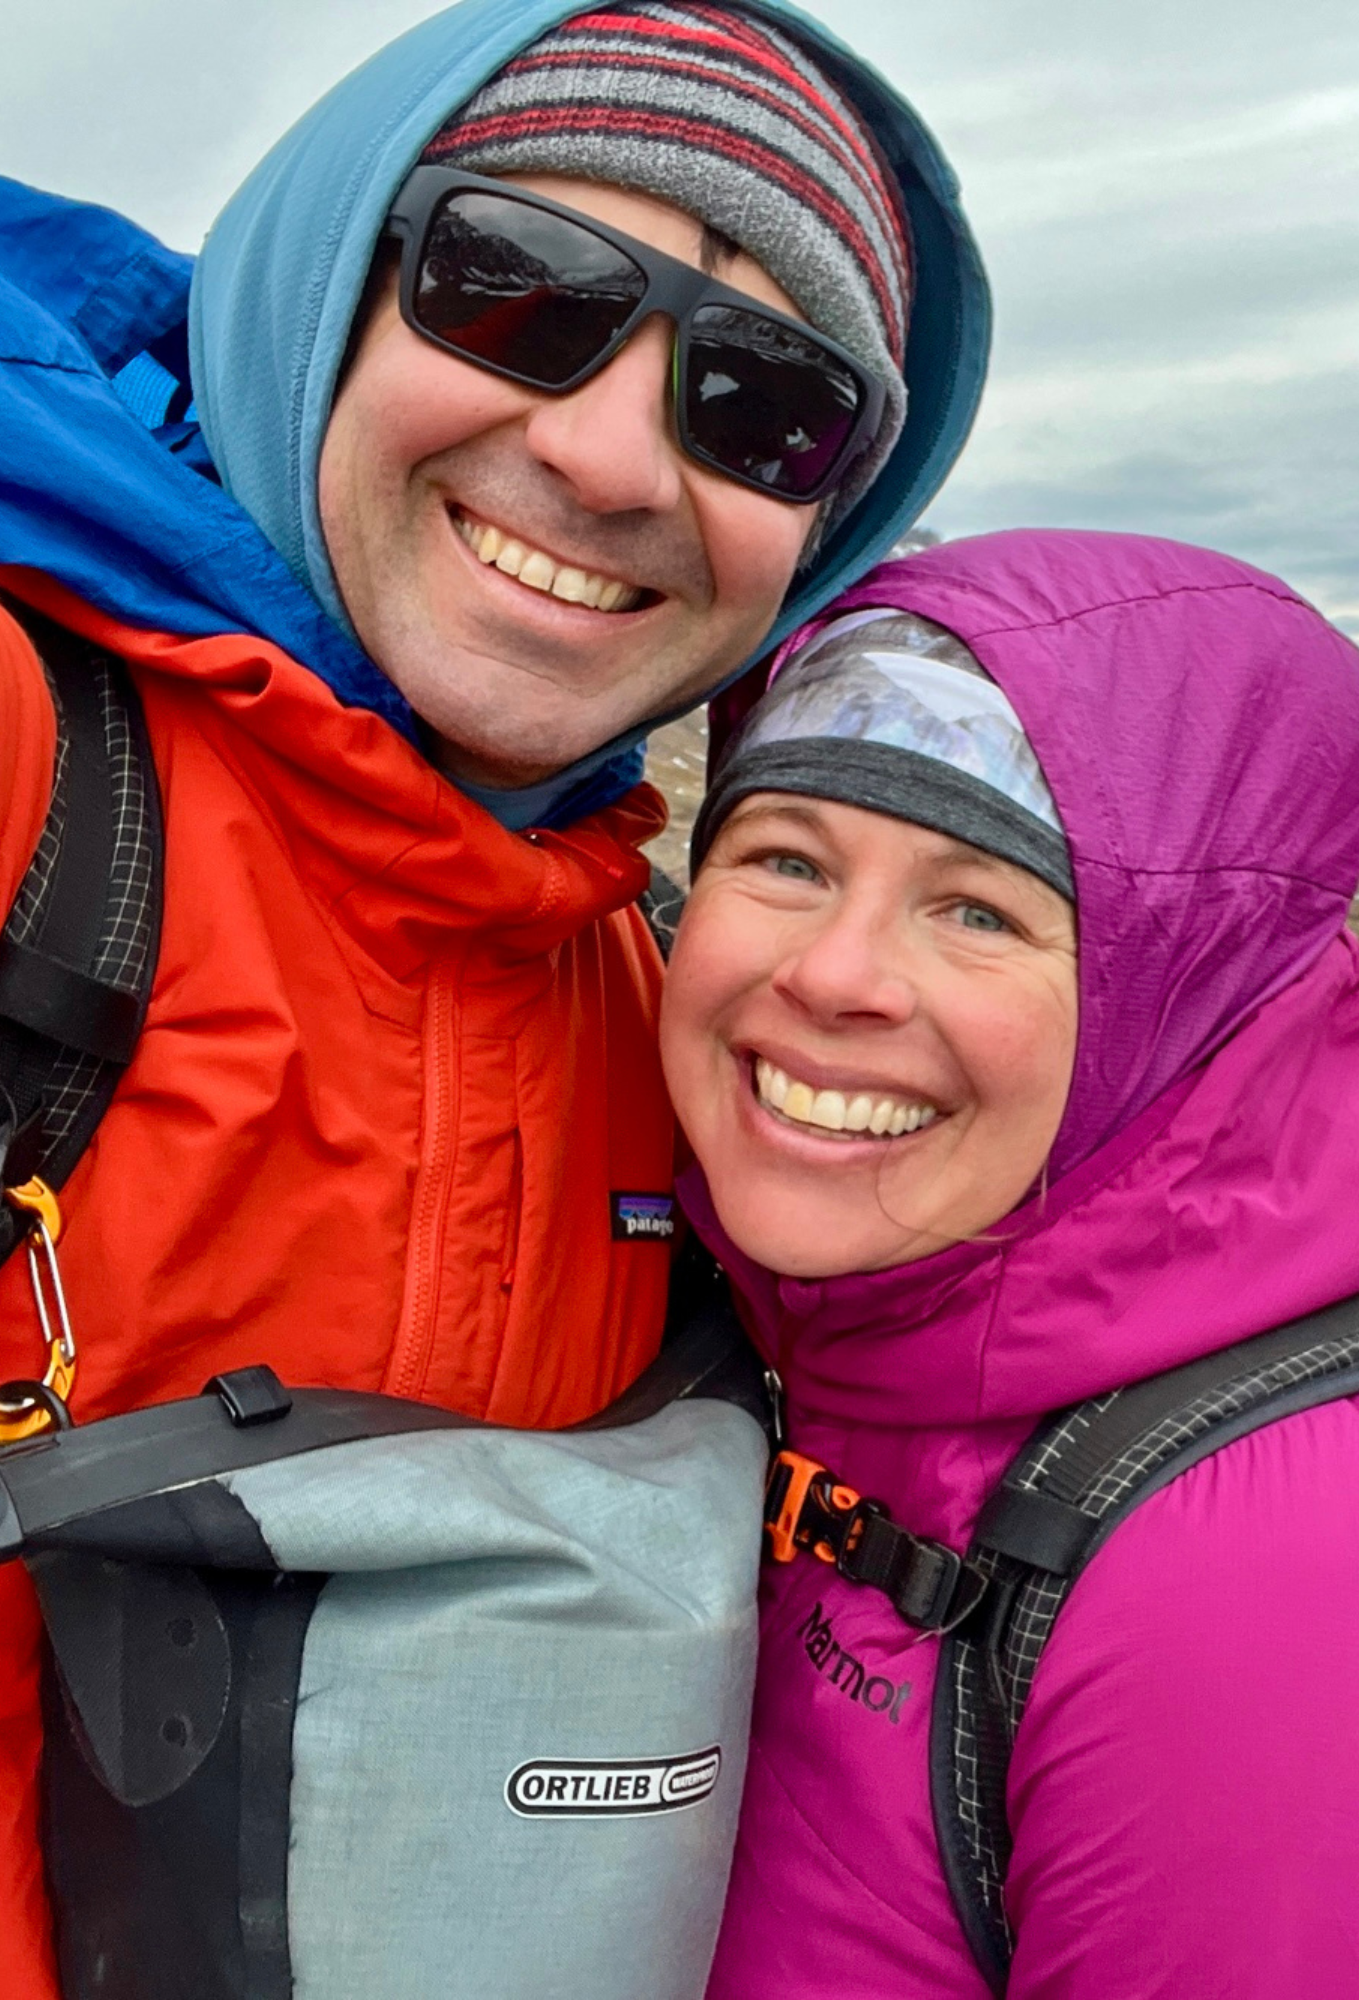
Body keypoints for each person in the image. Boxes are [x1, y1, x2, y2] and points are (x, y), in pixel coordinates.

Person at [0, 2, 987, 1985]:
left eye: (764, 407)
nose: (611, 454)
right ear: (326, 298)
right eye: (511, 288)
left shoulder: (659, 987)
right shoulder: (40, 772)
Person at [661, 528, 1359, 1997]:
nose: (835, 975)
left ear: (1167, 1000)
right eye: (786, 858)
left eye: (979, 910)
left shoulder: (1249, 1586)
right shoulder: (794, 1308)